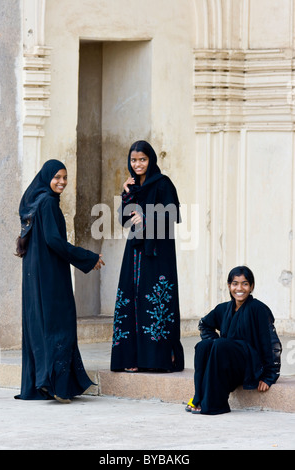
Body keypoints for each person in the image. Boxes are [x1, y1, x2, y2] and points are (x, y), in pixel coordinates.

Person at [15, 159, 105, 403]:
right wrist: (87, 258)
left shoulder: (36, 202)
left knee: (41, 326)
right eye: (57, 177)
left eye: (65, 178)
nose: (62, 182)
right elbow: (55, 241)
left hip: (36, 276)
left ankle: (41, 384)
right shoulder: (47, 204)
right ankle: (56, 386)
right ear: (46, 177)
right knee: (59, 324)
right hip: (51, 275)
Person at [110, 140, 184, 372]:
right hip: (135, 251)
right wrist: (126, 194)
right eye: (134, 160)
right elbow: (124, 219)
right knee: (132, 297)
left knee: (155, 300)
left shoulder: (163, 184)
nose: (138, 164)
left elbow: (173, 215)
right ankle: (131, 359)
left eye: (142, 159)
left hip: (157, 252)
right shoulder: (132, 186)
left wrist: (148, 218)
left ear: (150, 160)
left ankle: (157, 359)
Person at [185, 266, 282, 415]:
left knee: (221, 344)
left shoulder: (258, 309)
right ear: (229, 286)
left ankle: (215, 404)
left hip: (249, 365)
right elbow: (204, 324)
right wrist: (213, 346)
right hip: (224, 363)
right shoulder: (224, 308)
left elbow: (270, 342)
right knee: (204, 346)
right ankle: (199, 397)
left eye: (245, 283)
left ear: (251, 287)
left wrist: (269, 376)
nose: (239, 288)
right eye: (235, 283)